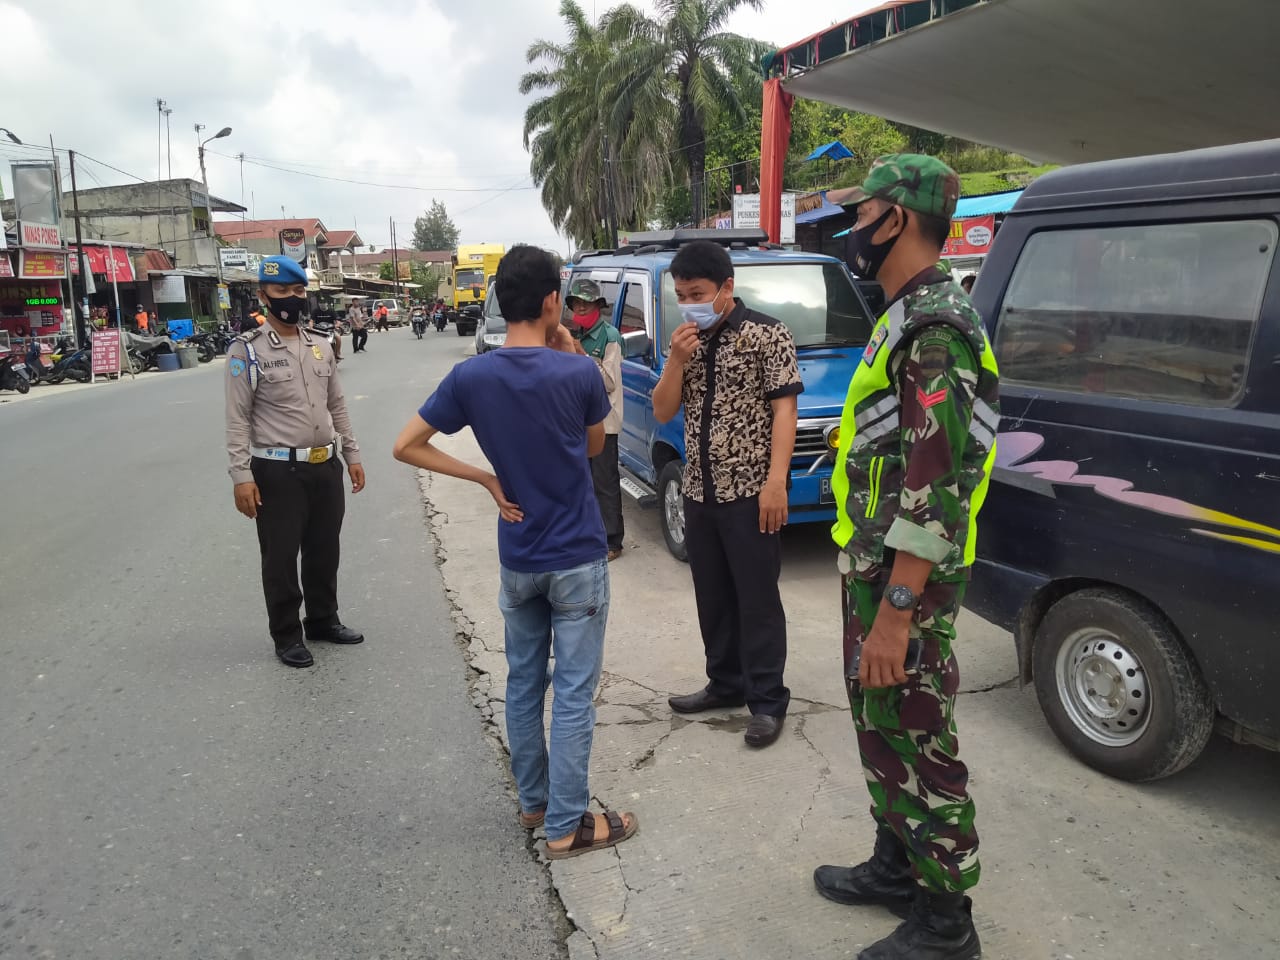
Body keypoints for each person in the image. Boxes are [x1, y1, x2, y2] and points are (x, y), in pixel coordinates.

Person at [392, 245, 638, 860]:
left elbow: (406, 445)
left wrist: (486, 480)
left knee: (524, 681)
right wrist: (575, 354)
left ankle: (534, 802)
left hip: (519, 555)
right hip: (577, 555)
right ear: (554, 301)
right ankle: (567, 825)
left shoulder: (472, 376)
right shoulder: (577, 373)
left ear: (500, 301)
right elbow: (590, 448)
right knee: (575, 690)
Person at [814, 155, 1000, 960]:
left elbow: (936, 487)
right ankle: (899, 863)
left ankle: (946, 921)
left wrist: (897, 612)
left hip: (905, 583)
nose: (851, 228)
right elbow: (904, 442)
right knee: (880, 721)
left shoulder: (934, 330)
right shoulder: (905, 315)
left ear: (897, 218)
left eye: (862, 213)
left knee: (919, 728)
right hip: (877, 568)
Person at [652, 240, 802, 749]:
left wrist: (776, 482)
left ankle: (766, 702)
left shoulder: (766, 333)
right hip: (699, 490)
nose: (688, 302)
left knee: (757, 600)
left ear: (727, 288)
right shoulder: (686, 341)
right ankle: (725, 684)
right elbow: (662, 410)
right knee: (712, 597)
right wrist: (675, 361)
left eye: (697, 292)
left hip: (750, 491)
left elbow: (786, 411)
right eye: (680, 294)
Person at [224, 255, 367, 669]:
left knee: (325, 550)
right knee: (282, 557)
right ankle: (287, 635)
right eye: (282, 291)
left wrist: (352, 454)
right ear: (263, 296)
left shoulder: (321, 344)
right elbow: (237, 420)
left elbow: (337, 406)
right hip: (276, 470)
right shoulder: (246, 351)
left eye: (298, 291)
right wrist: (241, 476)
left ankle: (323, 619)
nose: (292, 299)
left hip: (325, 465)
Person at [565, 278, 624, 560]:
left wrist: (583, 356)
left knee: (605, 483)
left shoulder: (609, 336)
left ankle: (613, 542)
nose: (580, 308)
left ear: (597, 307)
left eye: (585, 304)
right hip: (580, 421)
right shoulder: (574, 333)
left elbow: (610, 382)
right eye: (576, 304)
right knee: (583, 482)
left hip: (605, 422)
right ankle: (590, 535)